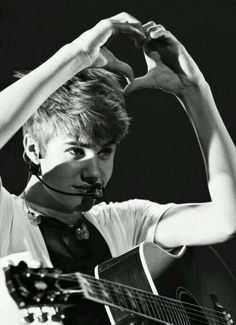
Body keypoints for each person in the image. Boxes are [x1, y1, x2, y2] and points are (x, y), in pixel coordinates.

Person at [0, 12, 236, 325]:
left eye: (105, 152)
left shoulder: (124, 223)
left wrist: (194, 91)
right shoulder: (7, 218)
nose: (94, 172)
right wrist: (78, 55)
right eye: (76, 150)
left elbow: (227, 218)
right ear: (33, 148)